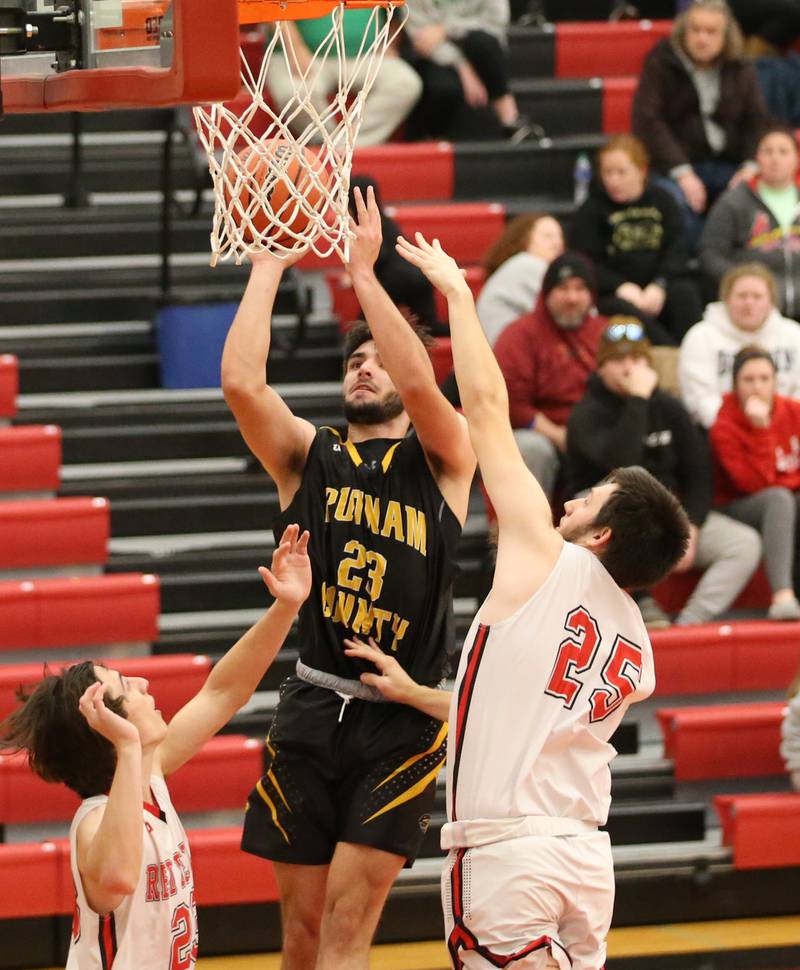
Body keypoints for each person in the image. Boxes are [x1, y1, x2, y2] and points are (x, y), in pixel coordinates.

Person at [345, 230, 690, 969]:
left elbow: (489, 407)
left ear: (599, 535)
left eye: (591, 495)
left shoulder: (543, 553)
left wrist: (461, 297)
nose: (572, 495)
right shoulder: (635, 640)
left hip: (507, 856)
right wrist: (420, 694)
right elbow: (524, 715)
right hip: (584, 861)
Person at [221, 186, 476, 970]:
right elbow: (241, 385)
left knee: (345, 930)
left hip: (399, 722)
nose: (363, 368)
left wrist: (366, 280)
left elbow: (426, 386)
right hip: (309, 705)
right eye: (353, 359)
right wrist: (267, 265)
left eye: (377, 359)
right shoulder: (310, 455)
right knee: (299, 942)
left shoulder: (443, 458)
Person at [0, 526, 311, 969]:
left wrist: (287, 606)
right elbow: (117, 876)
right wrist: (127, 747)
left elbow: (224, 692)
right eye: (127, 686)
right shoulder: (93, 822)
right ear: (109, 727)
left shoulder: (150, 777)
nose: (144, 683)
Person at [567, 318, 761, 628]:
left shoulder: (670, 408)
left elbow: (699, 473)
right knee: (633, 477)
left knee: (744, 543)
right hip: (606, 520)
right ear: (601, 366)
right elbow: (620, 462)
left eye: (637, 359)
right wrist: (638, 400)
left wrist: (693, 527)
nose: (629, 369)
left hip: (667, 518)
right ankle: (641, 600)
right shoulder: (586, 414)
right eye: (618, 360)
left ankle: (691, 622)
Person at [632, 0, 772, 248]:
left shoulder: (741, 68)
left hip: (729, 164)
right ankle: (698, 267)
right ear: (682, 32)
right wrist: (683, 172)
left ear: (726, 36)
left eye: (711, 32)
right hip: (674, 166)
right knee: (677, 203)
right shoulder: (661, 63)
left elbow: (757, 121)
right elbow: (648, 121)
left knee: (755, 198)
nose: (702, 39)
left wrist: (750, 167)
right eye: (695, 30)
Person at [493, 252, 608, 500]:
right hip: (544, 432)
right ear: (546, 293)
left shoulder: (605, 332)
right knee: (532, 448)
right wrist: (559, 436)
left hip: (598, 436)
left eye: (580, 289)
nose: (572, 298)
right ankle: (528, 532)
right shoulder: (519, 335)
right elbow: (512, 403)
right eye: (563, 288)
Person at [569, 134, 703, 345]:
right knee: (619, 308)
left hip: (660, 285)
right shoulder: (592, 209)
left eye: (621, 172)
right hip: (617, 292)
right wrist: (619, 286)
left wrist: (661, 284)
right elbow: (586, 259)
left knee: (685, 293)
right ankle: (669, 352)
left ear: (641, 171)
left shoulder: (663, 200)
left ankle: (693, 351)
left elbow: (678, 248)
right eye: (607, 173)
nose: (613, 180)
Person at [709, 345, 800, 619]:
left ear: (776, 382)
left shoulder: (794, 412)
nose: (757, 387)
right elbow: (755, 483)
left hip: (785, 497)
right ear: (735, 385)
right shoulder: (723, 425)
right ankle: (782, 595)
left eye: (764, 379)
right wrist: (761, 429)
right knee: (779, 499)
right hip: (735, 506)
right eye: (748, 380)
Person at [265, 9, 422, 146]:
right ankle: (325, 144)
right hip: (301, 54)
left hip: (364, 54)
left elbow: (392, 9)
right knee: (294, 93)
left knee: (405, 82)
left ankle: (345, 148)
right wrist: (295, 47)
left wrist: (388, 41)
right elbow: (272, 5)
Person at [679, 263, 800, 428]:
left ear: (771, 301)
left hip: (787, 432)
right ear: (726, 299)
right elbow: (700, 400)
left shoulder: (793, 334)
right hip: (721, 432)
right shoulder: (701, 336)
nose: (749, 303)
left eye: (757, 296)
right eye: (742, 296)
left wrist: (774, 429)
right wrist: (739, 430)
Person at [700, 127, 800, 320]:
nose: (775, 158)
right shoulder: (734, 201)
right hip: (752, 310)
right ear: (757, 159)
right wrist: (742, 282)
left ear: (796, 158)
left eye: (783, 151)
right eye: (767, 151)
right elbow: (709, 253)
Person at [402, 0, 532, 142]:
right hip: (435, 56)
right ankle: (433, 140)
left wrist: (444, 29)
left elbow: (496, 23)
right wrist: (462, 66)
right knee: (444, 87)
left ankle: (510, 120)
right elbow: (421, 41)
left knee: (483, 44)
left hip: (480, 48)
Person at [475, 213, 565, 345]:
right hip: (500, 357)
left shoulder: (514, 268)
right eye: (548, 236)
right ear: (524, 239)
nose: (557, 243)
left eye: (560, 237)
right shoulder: (528, 264)